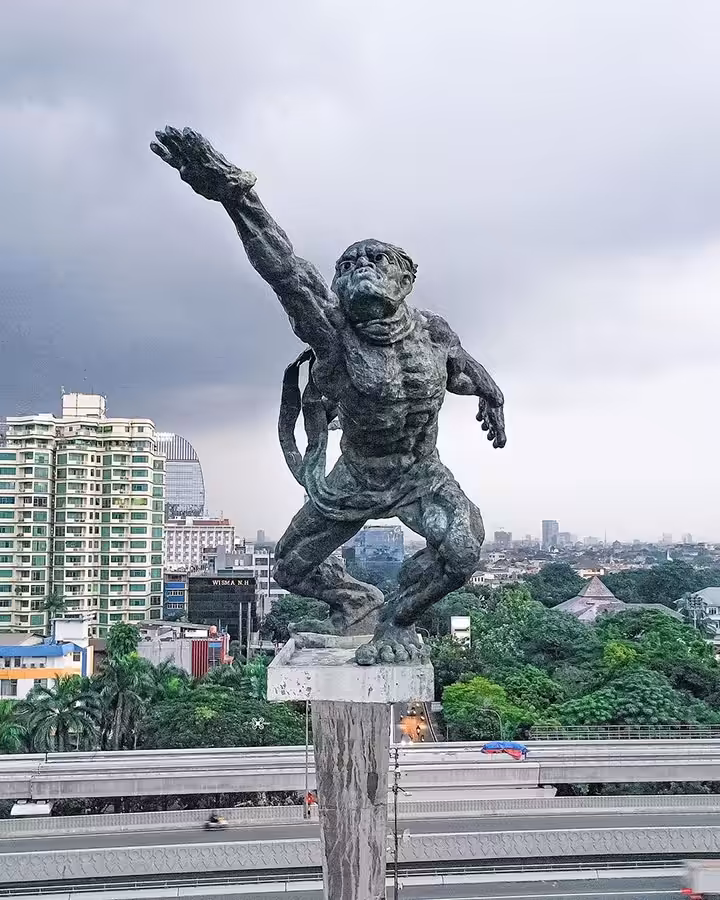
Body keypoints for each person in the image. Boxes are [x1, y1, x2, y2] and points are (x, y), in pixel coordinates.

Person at [151, 127, 507, 665]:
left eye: (376, 259)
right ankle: (357, 601)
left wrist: (491, 393)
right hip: (357, 475)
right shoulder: (334, 333)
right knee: (291, 567)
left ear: (406, 278)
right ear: (337, 288)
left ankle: (396, 621)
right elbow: (286, 271)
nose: (360, 267)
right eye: (348, 264)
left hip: (421, 474)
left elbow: (459, 364)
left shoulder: (432, 330)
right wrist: (236, 196)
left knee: (462, 550)